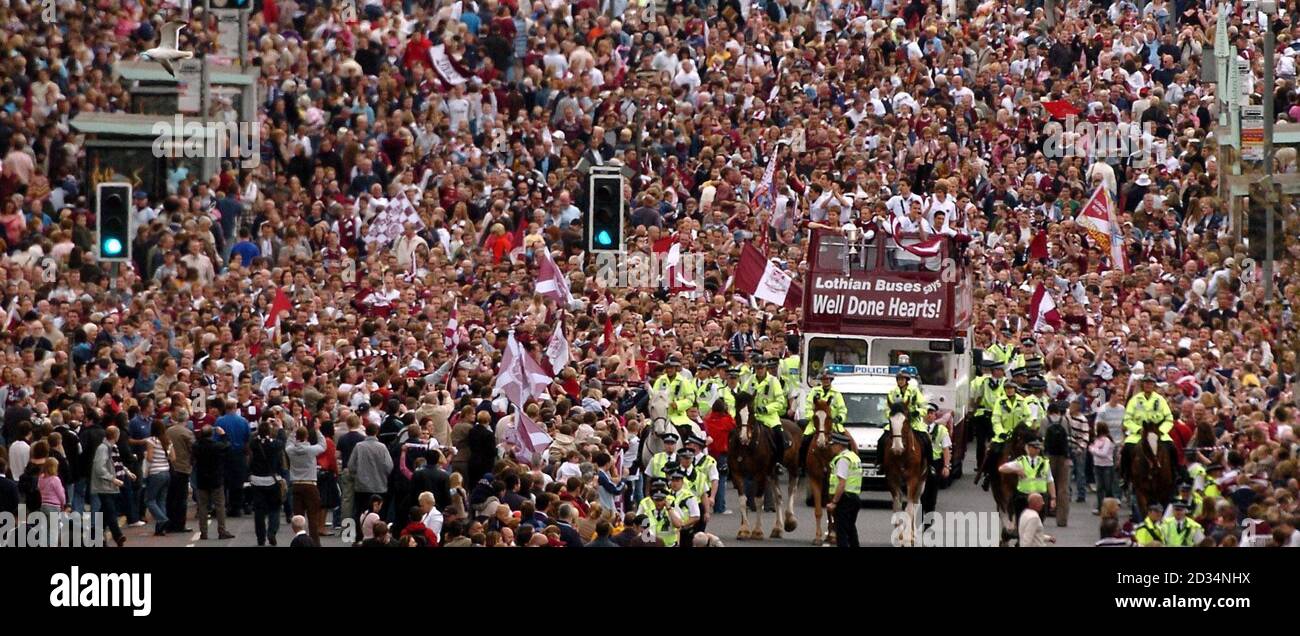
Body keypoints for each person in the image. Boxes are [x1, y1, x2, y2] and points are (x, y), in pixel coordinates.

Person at [1121, 375, 1177, 488]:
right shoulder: (1135, 400)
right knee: (1126, 449)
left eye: (1150, 383)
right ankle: (1125, 476)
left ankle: (1176, 475)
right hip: (1139, 434)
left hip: (1158, 433)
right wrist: (1137, 429)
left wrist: (1161, 431)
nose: (1148, 385)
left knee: (1172, 448)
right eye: (1146, 383)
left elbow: (1169, 419)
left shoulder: (1160, 400)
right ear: (1142, 385)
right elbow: (1127, 419)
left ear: (1154, 385)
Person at [980, 380, 1031, 490]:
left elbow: (1028, 417)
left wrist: (1023, 429)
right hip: (1004, 434)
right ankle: (989, 475)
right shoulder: (1000, 402)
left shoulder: (1022, 401)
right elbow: (996, 419)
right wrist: (1000, 432)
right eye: (1007, 388)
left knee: (1032, 451)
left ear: (1015, 389)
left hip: (1019, 435)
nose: (1009, 390)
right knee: (993, 452)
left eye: (1011, 388)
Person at [286, 424, 327, 546]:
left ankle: (299, 542)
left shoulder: (290, 450)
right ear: (307, 437)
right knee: (313, 517)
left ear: (297, 437)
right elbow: (323, 445)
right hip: (310, 484)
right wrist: (317, 430)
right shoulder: (311, 450)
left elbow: (288, 443)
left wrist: (293, 431)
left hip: (296, 485)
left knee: (298, 517)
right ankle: (314, 543)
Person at [248, 419, 287, 546]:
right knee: (274, 509)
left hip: (257, 480)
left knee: (259, 511)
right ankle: (272, 532)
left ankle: (260, 538)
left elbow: (252, 438)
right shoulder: (274, 444)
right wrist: (280, 427)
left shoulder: (254, 443)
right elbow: (283, 441)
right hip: (272, 480)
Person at [192, 425, 235, 541]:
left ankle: (203, 532)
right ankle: (221, 530)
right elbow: (228, 446)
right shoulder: (217, 446)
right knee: (220, 505)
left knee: (202, 507)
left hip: (201, 479)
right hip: (216, 479)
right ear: (212, 434)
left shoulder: (196, 446)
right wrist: (223, 435)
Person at [800, 369, 848, 470]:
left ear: (831, 380)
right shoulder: (814, 391)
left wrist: (840, 418)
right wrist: (811, 416)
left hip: (832, 423)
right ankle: (802, 465)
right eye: (823, 379)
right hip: (816, 423)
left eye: (827, 379)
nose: (825, 381)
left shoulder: (837, 394)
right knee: (804, 441)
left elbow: (842, 409)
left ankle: (848, 464)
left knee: (848, 442)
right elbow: (808, 406)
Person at [91, 426, 129, 546]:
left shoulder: (113, 448)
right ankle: (118, 535)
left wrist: (127, 472)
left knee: (105, 511)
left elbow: (117, 463)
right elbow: (99, 468)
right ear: (116, 436)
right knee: (111, 510)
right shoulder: (103, 449)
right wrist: (112, 479)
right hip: (104, 485)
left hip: (111, 485)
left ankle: (95, 536)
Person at [999, 439, 1054, 521]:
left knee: (1038, 523)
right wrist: (1016, 470)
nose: (1037, 450)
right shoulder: (1021, 461)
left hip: (1040, 497)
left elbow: (1050, 481)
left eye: (1038, 448)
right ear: (1028, 448)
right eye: (1035, 448)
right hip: (1023, 497)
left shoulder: (1044, 462)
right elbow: (1002, 468)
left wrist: (1053, 498)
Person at [349, 423, 394, 525]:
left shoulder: (359, 446)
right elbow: (389, 466)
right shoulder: (382, 447)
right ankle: (377, 534)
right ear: (377, 432)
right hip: (380, 485)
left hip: (362, 486)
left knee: (361, 512)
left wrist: (358, 474)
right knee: (379, 513)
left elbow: (351, 465)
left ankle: (360, 536)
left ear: (366, 432)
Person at [825, 432, 862, 548]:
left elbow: (842, 482)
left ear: (840, 445)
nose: (831, 447)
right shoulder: (854, 457)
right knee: (851, 530)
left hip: (844, 499)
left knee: (841, 533)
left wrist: (834, 502)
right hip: (854, 498)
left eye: (833, 445)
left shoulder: (842, 460)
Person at [921, 403, 952, 518]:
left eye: (932, 413)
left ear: (935, 416)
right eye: (927, 413)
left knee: (932, 491)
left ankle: (930, 515)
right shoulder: (919, 429)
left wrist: (946, 466)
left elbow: (945, 449)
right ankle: (923, 513)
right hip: (921, 462)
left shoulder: (941, 430)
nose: (929, 416)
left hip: (935, 462)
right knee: (921, 492)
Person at [652, 355, 697, 432]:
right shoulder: (660, 380)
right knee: (645, 431)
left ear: (676, 368)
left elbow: (690, 399)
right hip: (660, 417)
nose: (669, 370)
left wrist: (678, 404)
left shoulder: (684, 381)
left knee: (687, 433)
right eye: (667, 368)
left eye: (671, 368)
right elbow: (653, 396)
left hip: (678, 417)